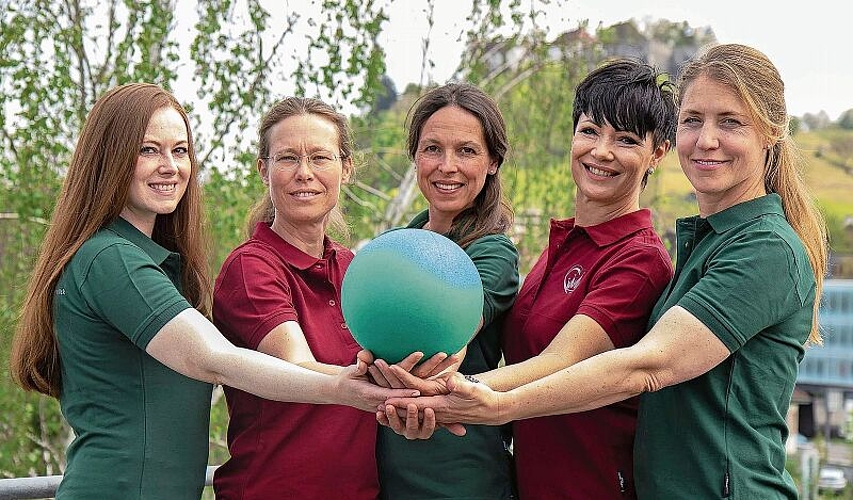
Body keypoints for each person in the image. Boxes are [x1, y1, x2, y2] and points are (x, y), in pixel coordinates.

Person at [382, 43, 829, 499]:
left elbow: (644, 365)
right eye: (693, 119)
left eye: (730, 122)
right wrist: (435, 388)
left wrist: (482, 400)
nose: (707, 139)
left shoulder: (758, 248)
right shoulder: (701, 243)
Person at [9, 83, 416, 500]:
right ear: (109, 158)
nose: (170, 166)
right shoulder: (112, 258)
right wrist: (346, 388)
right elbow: (216, 360)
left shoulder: (151, 262)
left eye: (180, 151)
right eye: (148, 150)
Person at [377, 60, 676, 499]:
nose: (602, 151)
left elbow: (559, 362)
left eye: (626, 140)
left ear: (658, 153)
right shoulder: (559, 249)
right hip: (531, 483)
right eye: (591, 131)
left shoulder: (639, 259)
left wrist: (452, 392)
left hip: (591, 486)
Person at [211, 96, 427, 499]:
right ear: (264, 170)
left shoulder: (356, 269)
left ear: (346, 169)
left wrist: (420, 391)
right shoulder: (251, 267)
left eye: (320, 158)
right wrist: (395, 388)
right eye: (288, 158)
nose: (304, 174)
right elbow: (298, 366)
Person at [371, 82, 520, 500]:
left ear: (493, 162)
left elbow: (437, 343)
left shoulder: (494, 253)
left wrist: (371, 361)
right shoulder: (400, 242)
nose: (447, 166)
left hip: (460, 475)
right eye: (432, 148)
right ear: (416, 157)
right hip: (388, 471)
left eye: (467, 151)